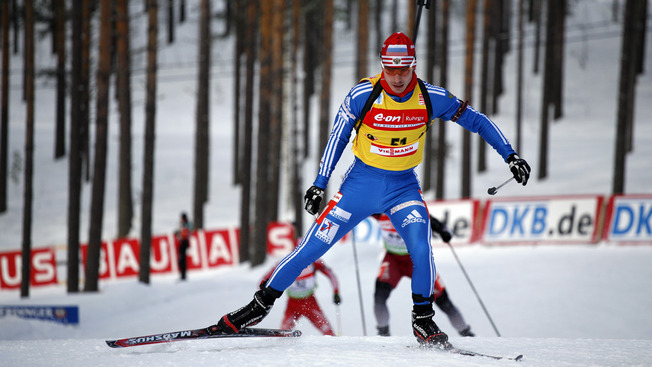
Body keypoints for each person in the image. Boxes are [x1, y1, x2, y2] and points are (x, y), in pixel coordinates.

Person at [207, 32, 530, 347]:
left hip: (403, 188)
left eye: (404, 69)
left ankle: (422, 319)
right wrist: (320, 184)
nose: (398, 77)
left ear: (414, 66)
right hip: (360, 186)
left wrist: (510, 155)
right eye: (391, 69)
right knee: (311, 248)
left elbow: (477, 120)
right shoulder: (363, 94)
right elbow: (337, 137)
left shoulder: (432, 97)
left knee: (421, 247)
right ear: (382, 66)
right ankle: (257, 307)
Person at [372, 213, 474, 337]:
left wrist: (442, 231)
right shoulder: (379, 211)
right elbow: (359, 205)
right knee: (380, 296)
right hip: (393, 260)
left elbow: (434, 222)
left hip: (416, 260)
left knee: (443, 301)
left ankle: (466, 333)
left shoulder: (408, 209)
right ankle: (383, 333)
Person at [260, 258, 341, 336]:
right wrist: (265, 294)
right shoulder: (285, 262)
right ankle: (283, 349)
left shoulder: (314, 261)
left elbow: (331, 275)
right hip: (292, 304)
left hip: (310, 302)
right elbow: (263, 280)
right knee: (284, 332)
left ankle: (337, 347)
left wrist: (336, 292)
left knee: (328, 331)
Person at [175, 212, 192, 281]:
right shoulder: (182, 224)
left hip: (184, 242)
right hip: (182, 242)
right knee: (181, 260)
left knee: (182, 259)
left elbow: (185, 234)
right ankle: (182, 274)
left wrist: (178, 234)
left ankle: (183, 275)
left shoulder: (186, 225)